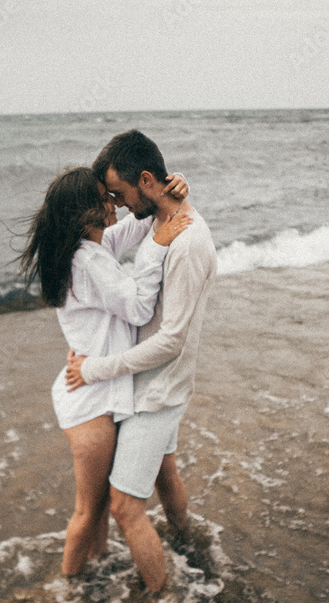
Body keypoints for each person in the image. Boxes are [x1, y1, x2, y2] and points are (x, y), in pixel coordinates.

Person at [18, 165, 192, 579]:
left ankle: (94, 570)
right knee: (89, 509)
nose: (115, 201)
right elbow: (136, 308)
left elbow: (135, 226)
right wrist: (157, 249)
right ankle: (68, 590)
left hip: (92, 386)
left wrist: (171, 189)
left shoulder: (92, 247)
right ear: (85, 211)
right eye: (105, 196)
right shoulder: (87, 262)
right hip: (92, 400)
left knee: (96, 508)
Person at [65, 129, 217, 592]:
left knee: (125, 507)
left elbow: (171, 340)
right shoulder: (159, 219)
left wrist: (93, 369)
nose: (117, 204)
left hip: (157, 390)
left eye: (120, 193)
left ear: (146, 180)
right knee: (165, 472)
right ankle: (186, 540)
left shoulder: (187, 242)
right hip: (151, 381)